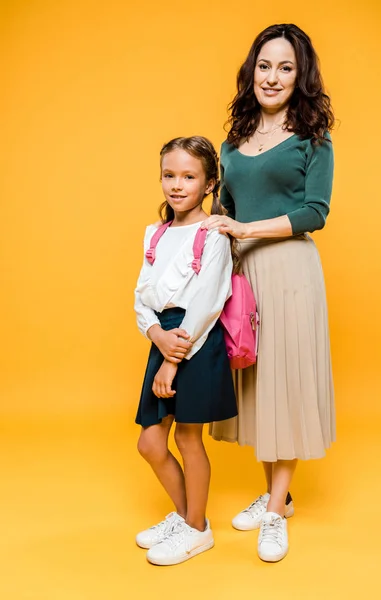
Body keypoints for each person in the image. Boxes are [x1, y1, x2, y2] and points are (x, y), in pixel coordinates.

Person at [205, 23, 336, 563]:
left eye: (286, 67)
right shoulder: (231, 141)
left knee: (287, 383)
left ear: (301, 75)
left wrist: (245, 232)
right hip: (243, 278)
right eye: (265, 65)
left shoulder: (314, 140)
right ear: (251, 71)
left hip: (290, 274)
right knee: (258, 386)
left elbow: (315, 212)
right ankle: (275, 498)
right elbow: (226, 212)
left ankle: (277, 507)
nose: (273, 76)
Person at [134, 136, 237, 566]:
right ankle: (185, 515)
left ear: (209, 183)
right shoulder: (154, 233)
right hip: (165, 337)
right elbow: (142, 296)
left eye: (189, 176)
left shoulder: (212, 234)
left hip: (196, 340)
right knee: (150, 443)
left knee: (187, 437)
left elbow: (209, 301)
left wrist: (172, 361)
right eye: (169, 175)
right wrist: (155, 333)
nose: (177, 185)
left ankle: (197, 529)